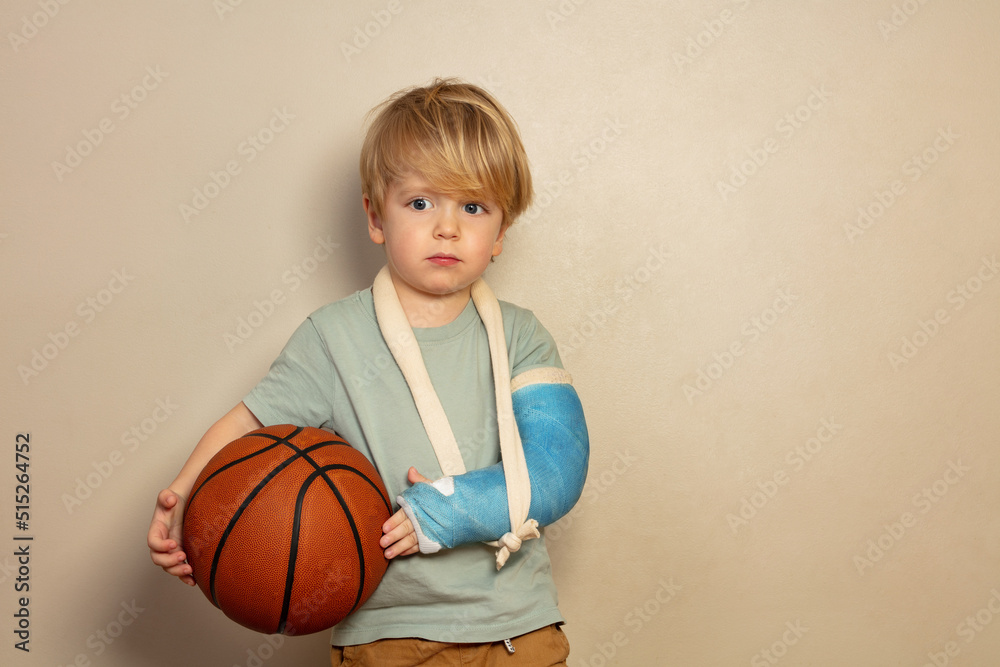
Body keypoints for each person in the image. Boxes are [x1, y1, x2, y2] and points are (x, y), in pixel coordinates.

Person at [148, 78, 586, 666]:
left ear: (501, 232)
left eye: (473, 207)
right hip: (386, 633)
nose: (447, 227)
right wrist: (179, 502)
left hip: (515, 625)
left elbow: (556, 470)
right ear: (376, 216)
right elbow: (244, 426)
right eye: (420, 202)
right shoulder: (332, 338)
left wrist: (447, 510)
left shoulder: (522, 335)